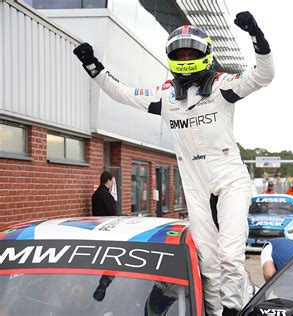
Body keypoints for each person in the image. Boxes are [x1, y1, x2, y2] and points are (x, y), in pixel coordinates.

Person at [73, 11, 274, 315]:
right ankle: (214, 312)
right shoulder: (166, 96)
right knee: (206, 262)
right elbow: (123, 93)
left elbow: (263, 75)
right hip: (194, 184)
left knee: (230, 256)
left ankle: (234, 311)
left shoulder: (223, 86)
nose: (185, 56)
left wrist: (256, 35)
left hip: (231, 179)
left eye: (190, 51)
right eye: (179, 52)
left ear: (205, 54)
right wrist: (93, 67)